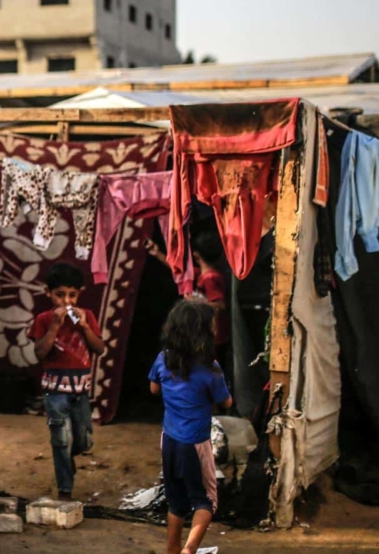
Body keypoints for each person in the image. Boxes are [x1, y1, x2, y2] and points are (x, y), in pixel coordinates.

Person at [149, 299, 233, 554]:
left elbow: (154, 389)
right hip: (196, 443)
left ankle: (173, 550)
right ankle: (189, 550)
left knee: (176, 501)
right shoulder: (210, 369)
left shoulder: (164, 359)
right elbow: (227, 402)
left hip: (170, 440)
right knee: (206, 501)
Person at [26, 263, 105, 500]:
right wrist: (54, 326)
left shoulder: (87, 316)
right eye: (60, 295)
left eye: (72, 295)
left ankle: (70, 455)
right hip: (55, 392)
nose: (66, 301)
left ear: (79, 294)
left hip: (81, 391)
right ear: (48, 293)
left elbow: (99, 348)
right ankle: (65, 490)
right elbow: (39, 353)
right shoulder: (43, 319)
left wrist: (85, 328)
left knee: (82, 440)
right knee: (60, 439)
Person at [191, 231, 232, 379]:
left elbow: (220, 305)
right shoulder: (204, 274)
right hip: (210, 334)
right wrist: (157, 254)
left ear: (196, 255)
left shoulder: (210, 278)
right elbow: (182, 272)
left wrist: (195, 302)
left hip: (215, 335)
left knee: (210, 373)